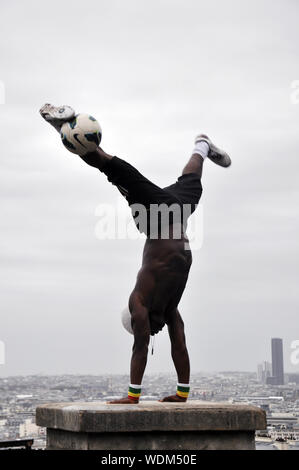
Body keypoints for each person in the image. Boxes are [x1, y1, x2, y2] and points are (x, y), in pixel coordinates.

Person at [40, 103, 231, 404]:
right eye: (152, 330)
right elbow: (179, 344)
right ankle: (202, 145)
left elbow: (139, 347)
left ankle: (63, 129)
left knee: (113, 169)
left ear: (134, 320)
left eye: (144, 328)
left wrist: (133, 396)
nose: (151, 331)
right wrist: (182, 393)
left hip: (154, 215)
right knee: (192, 181)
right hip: (176, 214)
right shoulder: (168, 310)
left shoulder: (138, 303)